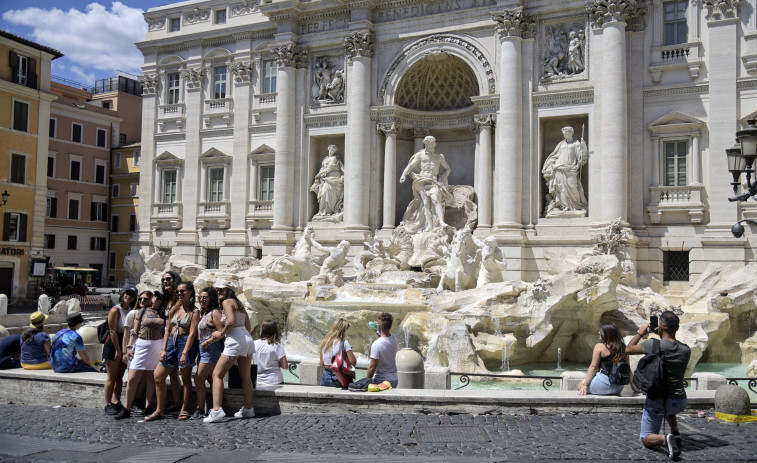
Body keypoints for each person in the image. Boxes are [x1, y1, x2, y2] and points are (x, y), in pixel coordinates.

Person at [626, 311, 691, 460]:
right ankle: (675, 431)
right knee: (669, 406)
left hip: (658, 400)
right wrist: (662, 333)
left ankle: (665, 438)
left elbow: (628, 349)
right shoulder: (686, 350)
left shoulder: (653, 344)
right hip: (679, 401)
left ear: (660, 326)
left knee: (646, 438)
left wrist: (640, 333)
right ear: (677, 328)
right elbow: (669, 347)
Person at [204, 282, 255, 423]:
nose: (219, 291)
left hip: (235, 340)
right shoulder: (239, 304)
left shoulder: (227, 302)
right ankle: (249, 408)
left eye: (222, 289)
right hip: (247, 339)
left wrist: (221, 334)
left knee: (217, 374)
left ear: (228, 291)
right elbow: (248, 325)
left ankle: (216, 410)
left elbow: (231, 322)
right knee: (245, 376)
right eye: (217, 290)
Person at [151, 282, 200, 421]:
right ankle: (159, 410)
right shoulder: (174, 308)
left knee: (185, 378)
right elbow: (168, 330)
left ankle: (184, 409)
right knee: (158, 376)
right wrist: (163, 349)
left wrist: (184, 353)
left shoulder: (195, 311)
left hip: (185, 343)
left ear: (190, 292)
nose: (179, 293)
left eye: (183, 291)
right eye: (178, 291)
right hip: (172, 342)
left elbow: (192, 333)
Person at [115, 290, 168, 420]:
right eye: (154, 296)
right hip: (141, 344)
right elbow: (135, 331)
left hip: (157, 345)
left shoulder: (164, 312)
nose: (155, 299)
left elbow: (167, 331)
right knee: (133, 377)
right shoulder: (142, 311)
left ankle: (148, 405)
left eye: (158, 297)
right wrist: (129, 346)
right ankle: (127, 408)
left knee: (151, 377)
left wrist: (163, 349)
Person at [399, 135, 455, 232]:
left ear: (434, 144)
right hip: (422, 180)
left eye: (431, 143)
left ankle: (441, 221)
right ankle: (429, 225)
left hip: (433, 181)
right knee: (426, 203)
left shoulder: (440, 156)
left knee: (436, 199)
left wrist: (444, 175)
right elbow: (411, 166)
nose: (429, 145)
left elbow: (448, 168)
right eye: (427, 143)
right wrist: (403, 175)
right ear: (425, 144)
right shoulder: (420, 155)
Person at [192, 287, 224, 420]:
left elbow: (221, 332)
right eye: (200, 297)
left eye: (205, 297)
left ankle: (200, 409)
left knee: (198, 379)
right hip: (204, 349)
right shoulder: (204, 312)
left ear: (211, 299)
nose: (201, 300)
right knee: (209, 379)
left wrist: (208, 342)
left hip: (211, 349)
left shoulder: (215, 312)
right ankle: (213, 407)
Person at [103, 287, 137, 416]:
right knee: (111, 376)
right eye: (127, 293)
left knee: (119, 377)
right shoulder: (115, 310)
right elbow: (112, 331)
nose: (129, 296)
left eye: (132, 295)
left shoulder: (130, 311)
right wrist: (119, 350)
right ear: (123, 294)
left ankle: (116, 401)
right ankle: (107, 403)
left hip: (124, 343)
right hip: (113, 344)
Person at [542, 126, 588, 216]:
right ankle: (563, 206)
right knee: (561, 189)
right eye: (564, 133)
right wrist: (549, 164)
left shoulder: (576, 143)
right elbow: (555, 155)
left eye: (566, 133)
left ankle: (576, 206)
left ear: (571, 133)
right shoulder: (561, 144)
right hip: (559, 168)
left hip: (571, 169)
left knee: (573, 186)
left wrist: (584, 147)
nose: (565, 135)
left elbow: (581, 158)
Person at [121, 290, 151, 415]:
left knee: (144, 376)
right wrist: (124, 351)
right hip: (133, 347)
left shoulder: (152, 314)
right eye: (141, 299)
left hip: (147, 347)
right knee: (133, 376)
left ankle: (137, 401)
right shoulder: (133, 313)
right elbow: (126, 334)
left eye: (145, 299)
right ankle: (131, 403)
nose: (142, 301)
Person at [578, 323, 628, 396]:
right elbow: (628, 369)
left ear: (607, 333)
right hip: (618, 388)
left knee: (580, 384)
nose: (599, 332)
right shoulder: (623, 347)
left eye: (601, 331)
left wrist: (585, 385)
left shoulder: (600, 346)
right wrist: (634, 388)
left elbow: (593, 367)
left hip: (602, 385)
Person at [160, 271, 183, 412]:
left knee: (159, 374)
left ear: (175, 280)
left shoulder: (179, 297)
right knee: (173, 373)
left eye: (168, 279)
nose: (165, 282)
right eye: (163, 280)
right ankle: (176, 403)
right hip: (167, 336)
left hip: (174, 338)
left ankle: (159, 408)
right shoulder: (168, 298)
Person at [319, 318, 357, 387]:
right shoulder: (344, 343)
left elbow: (322, 362)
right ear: (344, 330)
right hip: (339, 377)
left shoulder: (324, 342)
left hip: (325, 376)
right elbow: (352, 362)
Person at [366, 312, 399, 388]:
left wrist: (366, 380)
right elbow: (385, 338)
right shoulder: (394, 338)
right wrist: (378, 331)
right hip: (394, 380)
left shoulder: (376, 344)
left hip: (381, 381)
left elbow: (372, 367)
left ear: (379, 325)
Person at [310, 144, 344, 217]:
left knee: (330, 195)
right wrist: (320, 175)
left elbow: (329, 168)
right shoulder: (325, 159)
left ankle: (329, 212)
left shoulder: (334, 158)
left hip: (334, 177)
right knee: (323, 194)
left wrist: (318, 174)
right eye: (331, 148)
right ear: (328, 149)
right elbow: (323, 168)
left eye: (333, 149)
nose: (332, 150)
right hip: (326, 179)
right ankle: (322, 211)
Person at [254, 320, 288, 386]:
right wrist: (277, 363)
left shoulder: (254, 344)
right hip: (275, 380)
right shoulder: (277, 346)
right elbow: (285, 366)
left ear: (262, 330)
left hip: (257, 380)